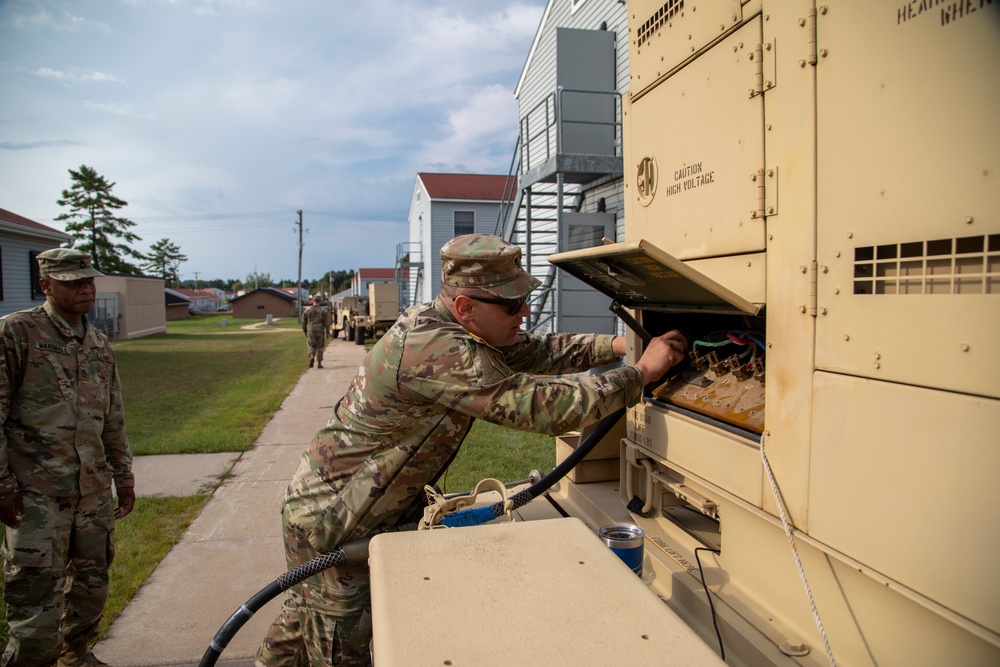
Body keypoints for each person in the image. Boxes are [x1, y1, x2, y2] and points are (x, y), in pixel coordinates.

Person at [256, 234, 687, 666]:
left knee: (300, 619)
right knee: (337, 645)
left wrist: (617, 346)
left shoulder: (448, 325)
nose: (525, 312)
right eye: (512, 304)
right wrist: (643, 371)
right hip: (335, 521)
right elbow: (546, 409)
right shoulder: (437, 349)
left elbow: (534, 350)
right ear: (466, 307)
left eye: (525, 299)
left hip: (338, 506)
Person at [0, 248, 136, 667]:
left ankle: (76, 654)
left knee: (92, 584)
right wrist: (3, 486)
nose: (86, 289)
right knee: (36, 592)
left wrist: (123, 475)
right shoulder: (17, 333)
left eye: (89, 281)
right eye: (73, 282)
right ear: (46, 286)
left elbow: (112, 414)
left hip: (91, 491)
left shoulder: (97, 341)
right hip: (37, 493)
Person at [302, 301, 328, 369]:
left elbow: (304, 322)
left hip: (311, 330)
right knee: (320, 346)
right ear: (319, 301)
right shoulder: (322, 311)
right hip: (320, 331)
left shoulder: (307, 311)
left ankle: (312, 356)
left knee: (311, 345)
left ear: (313, 301)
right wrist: (327, 332)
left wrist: (305, 330)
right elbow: (326, 323)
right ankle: (319, 364)